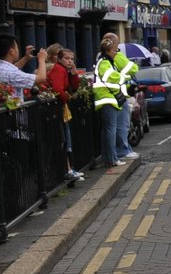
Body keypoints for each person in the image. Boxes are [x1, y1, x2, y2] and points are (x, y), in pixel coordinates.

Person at [93, 34, 137, 167]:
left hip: (109, 99)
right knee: (110, 130)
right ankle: (112, 159)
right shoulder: (104, 62)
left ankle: (110, 157)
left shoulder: (105, 61)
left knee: (109, 130)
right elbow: (110, 77)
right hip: (106, 99)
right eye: (114, 50)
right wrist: (123, 77)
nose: (116, 53)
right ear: (108, 50)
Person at [45, 44, 85, 181]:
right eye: (67, 58)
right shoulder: (59, 70)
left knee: (66, 140)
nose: (70, 61)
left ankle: (69, 169)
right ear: (60, 59)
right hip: (56, 109)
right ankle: (66, 170)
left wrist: (74, 74)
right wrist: (67, 97)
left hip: (61, 109)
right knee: (62, 141)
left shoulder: (64, 71)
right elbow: (57, 89)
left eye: (72, 59)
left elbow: (73, 87)